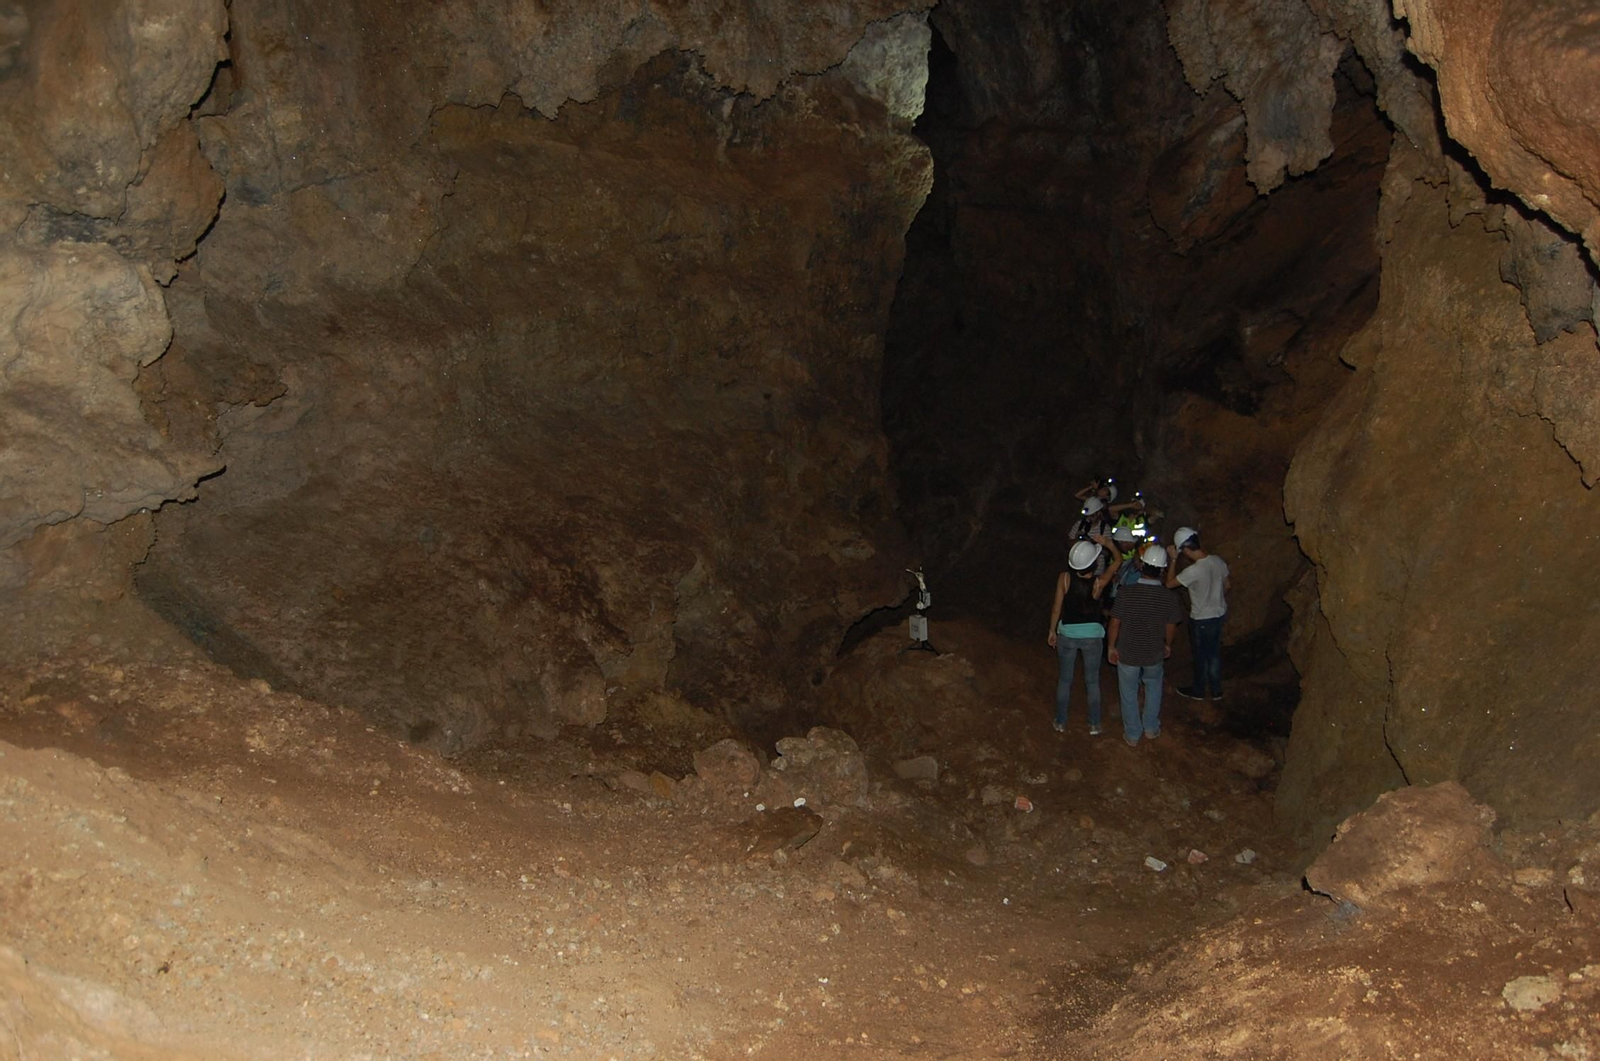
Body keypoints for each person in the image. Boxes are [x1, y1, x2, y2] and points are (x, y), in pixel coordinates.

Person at [1106, 543, 1184, 747]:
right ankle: (1150, 728)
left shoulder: (1126, 593)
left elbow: (1115, 622)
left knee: (1129, 693)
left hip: (1128, 652)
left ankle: (1133, 734)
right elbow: (1171, 626)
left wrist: (1111, 647)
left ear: (1141, 566)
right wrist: (1167, 645)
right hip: (1153, 653)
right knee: (1153, 688)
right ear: (1162, 569)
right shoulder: (1169, 597)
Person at [1047, 534, 1123, 735]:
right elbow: (1118, 561)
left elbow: (1057, 608)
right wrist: (1109, 544)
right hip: (1092, 637)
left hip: (1067, 635)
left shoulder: (1064, 579)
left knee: (1065, 679)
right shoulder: (1099, 583)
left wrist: (1052, 630)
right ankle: (1094, 724)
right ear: (1093, 564)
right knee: (1092, 681)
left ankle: (1061, 721)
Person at [1165, 527, 1231, 701]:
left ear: (1185, 549)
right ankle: (1216, 690)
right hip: (1219, 614)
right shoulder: (1218, 561)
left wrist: (1173, 560)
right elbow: (1227, 586)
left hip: (1202, 618)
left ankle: (1199, 690)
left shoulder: (1193, 571)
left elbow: (1170, 583)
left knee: (1201, 656)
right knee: (1214, 653)